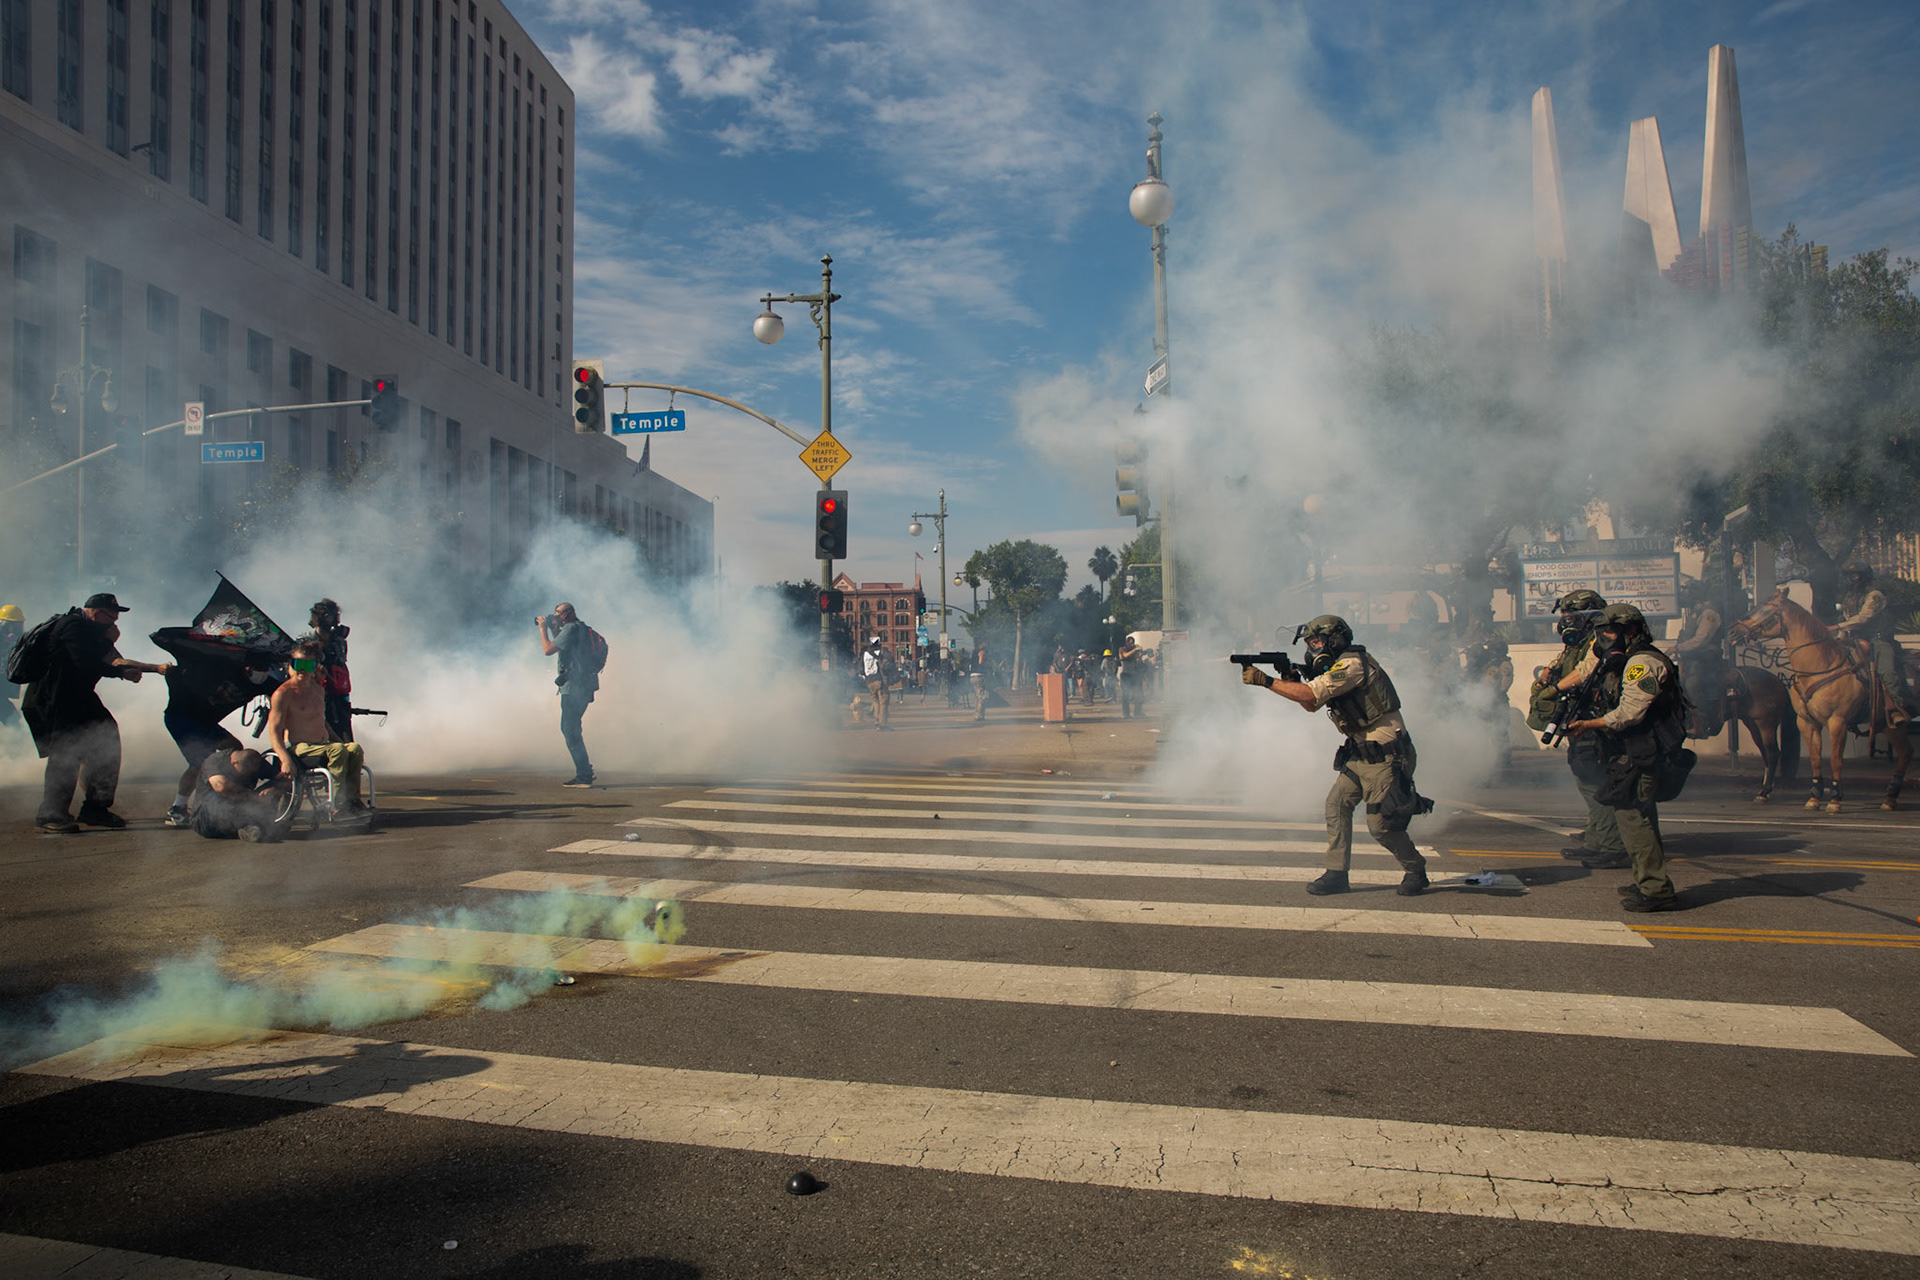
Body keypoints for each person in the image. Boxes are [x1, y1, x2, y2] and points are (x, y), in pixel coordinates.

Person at [1241, 614, 1432, 897]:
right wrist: (1289, 680)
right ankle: (1336, 874)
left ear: (1335, 639)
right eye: (1310, 643)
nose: (1313, 649)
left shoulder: (1352, 665)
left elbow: (1310, 695)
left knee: (1380, 827)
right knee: (1336, 805)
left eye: (1317, 641)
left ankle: (1416, 869)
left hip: (1387, 756)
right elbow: (1311, 704)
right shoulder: (1339, 667)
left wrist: (1267, 681)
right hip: (1360, 753)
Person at [1553, 603, 1689, 913]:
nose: (1604, 640)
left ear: (1631, 631)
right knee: (1640, 818)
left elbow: (1630, 713)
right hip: (1633, 752)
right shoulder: (1628, 660)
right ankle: (1648, 880)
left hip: (1643, 753)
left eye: (1610, 633)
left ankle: (1656, 890)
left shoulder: (1642, 663)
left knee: (1634, 820)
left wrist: (1590, 724)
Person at [21, 594, 171, 833]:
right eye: (112, 616)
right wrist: (108, 647)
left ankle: (96, 808)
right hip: (53, 699)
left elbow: (115, 661)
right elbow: (86, 662)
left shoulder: (91, 631)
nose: (115, 622)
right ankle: (51, 814)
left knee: (107, 738)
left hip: (78, 698)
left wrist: (152, 669)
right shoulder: (73, 626)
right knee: (66, 754)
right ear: (97, 613)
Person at [1526, 590, 1629, 867]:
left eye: (1573, 616)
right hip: (1581, 720)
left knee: (1593, 779)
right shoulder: (1578, 643)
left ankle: (1611, 846)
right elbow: (1563, 668)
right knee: (1587, 778)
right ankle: (1597, 841)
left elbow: (1586, 671)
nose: (1567, 621)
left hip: (1595, 722)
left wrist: (1556, 687)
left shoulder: (1600, 641)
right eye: (1565, 616)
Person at [266, 639, 370, 820]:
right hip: (300, 749)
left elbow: (323, 723)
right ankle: (338, 805)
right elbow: (274, 732)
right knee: (337, 750)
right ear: (291, 664)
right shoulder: (284, 694)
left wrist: (343, 744)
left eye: (308, 665)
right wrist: (285, 759)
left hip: (323, 746)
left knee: (354, 749)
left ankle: (352, 802)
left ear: (315, 666)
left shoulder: (317, 690)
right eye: (298, 664)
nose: (302, 670)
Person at [160, 660, 253, 828]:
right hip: (181, 719)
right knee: (200, 763)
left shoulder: (250, 679)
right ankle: (178, 809)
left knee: (234, 748)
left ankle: (225, 795)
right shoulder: (212, 668)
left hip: (205, 722)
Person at [1835, 561, 1913, 725]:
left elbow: (1863, 618)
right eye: (1850, 575)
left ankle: (1896, 708)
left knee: (1887, 672)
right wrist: (1839, 636)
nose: (1853, 578)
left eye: (1856, 575)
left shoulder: (1875, 594)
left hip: (1878, 640)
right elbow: (1845, 618)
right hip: (1855, 641)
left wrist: (1836, 626)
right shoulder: (1848, 597)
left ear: (1865, 576)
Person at [536, 602, 598, 785]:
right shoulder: (580, 628)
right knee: (572, 728)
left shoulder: (571, 629)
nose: (556, 617)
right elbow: (566, 649)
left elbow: (548, 650)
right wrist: (555, 629)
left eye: (559, 614)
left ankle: (584, 775)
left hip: (574, 686)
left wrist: (542, 629)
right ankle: (585, 771)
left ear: (569, 614)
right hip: (584, 684)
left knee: (570, 730)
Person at [189, 746, 288, 841]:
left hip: (238, 811)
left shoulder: (254, 761)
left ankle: (251, 828)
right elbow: (221, 787)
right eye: (245, 772)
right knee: (223, 794)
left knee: (273, 787)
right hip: (205, 819)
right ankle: (253, 827)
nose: (249, 775)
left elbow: (286, 780)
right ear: (234, 763)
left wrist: (274, 789)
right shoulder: (215, 761)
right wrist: (255, 797)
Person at [307, 598, 353, 742]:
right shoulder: (305, 640)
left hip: (338, 692)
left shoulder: (338, 640)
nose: (333, 619)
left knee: (345, 731)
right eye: (330, 615)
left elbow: (342, 663)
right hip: (315, 691)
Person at [0, 603, 24, 730]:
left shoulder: (13, 639)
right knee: (10, 716)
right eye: (16, 624)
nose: (19, 628)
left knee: (10, 715)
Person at [861, 636, 892, 730]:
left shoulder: (865, 654)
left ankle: (877, 720)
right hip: (879, 680)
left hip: (869, 681)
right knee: (883, 701)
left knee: (875, 701)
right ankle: (883, 724)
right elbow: (888, 664)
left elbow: (861, 668)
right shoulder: (881, 652)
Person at [1118, 635, 1145, 719]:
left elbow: (1138, 659)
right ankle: (1126, 714)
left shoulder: (1134, 652)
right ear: (1126, 643)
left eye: (1133, 643)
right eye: (1130, 643)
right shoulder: (1122, 649)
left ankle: (1138, 712)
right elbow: (1124, 656)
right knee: (1125, 695)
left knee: (1138, 694)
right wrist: (1134, 650)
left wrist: (1139, 652)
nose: (1131, 645)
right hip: (1126, 675)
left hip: (1134, 674)